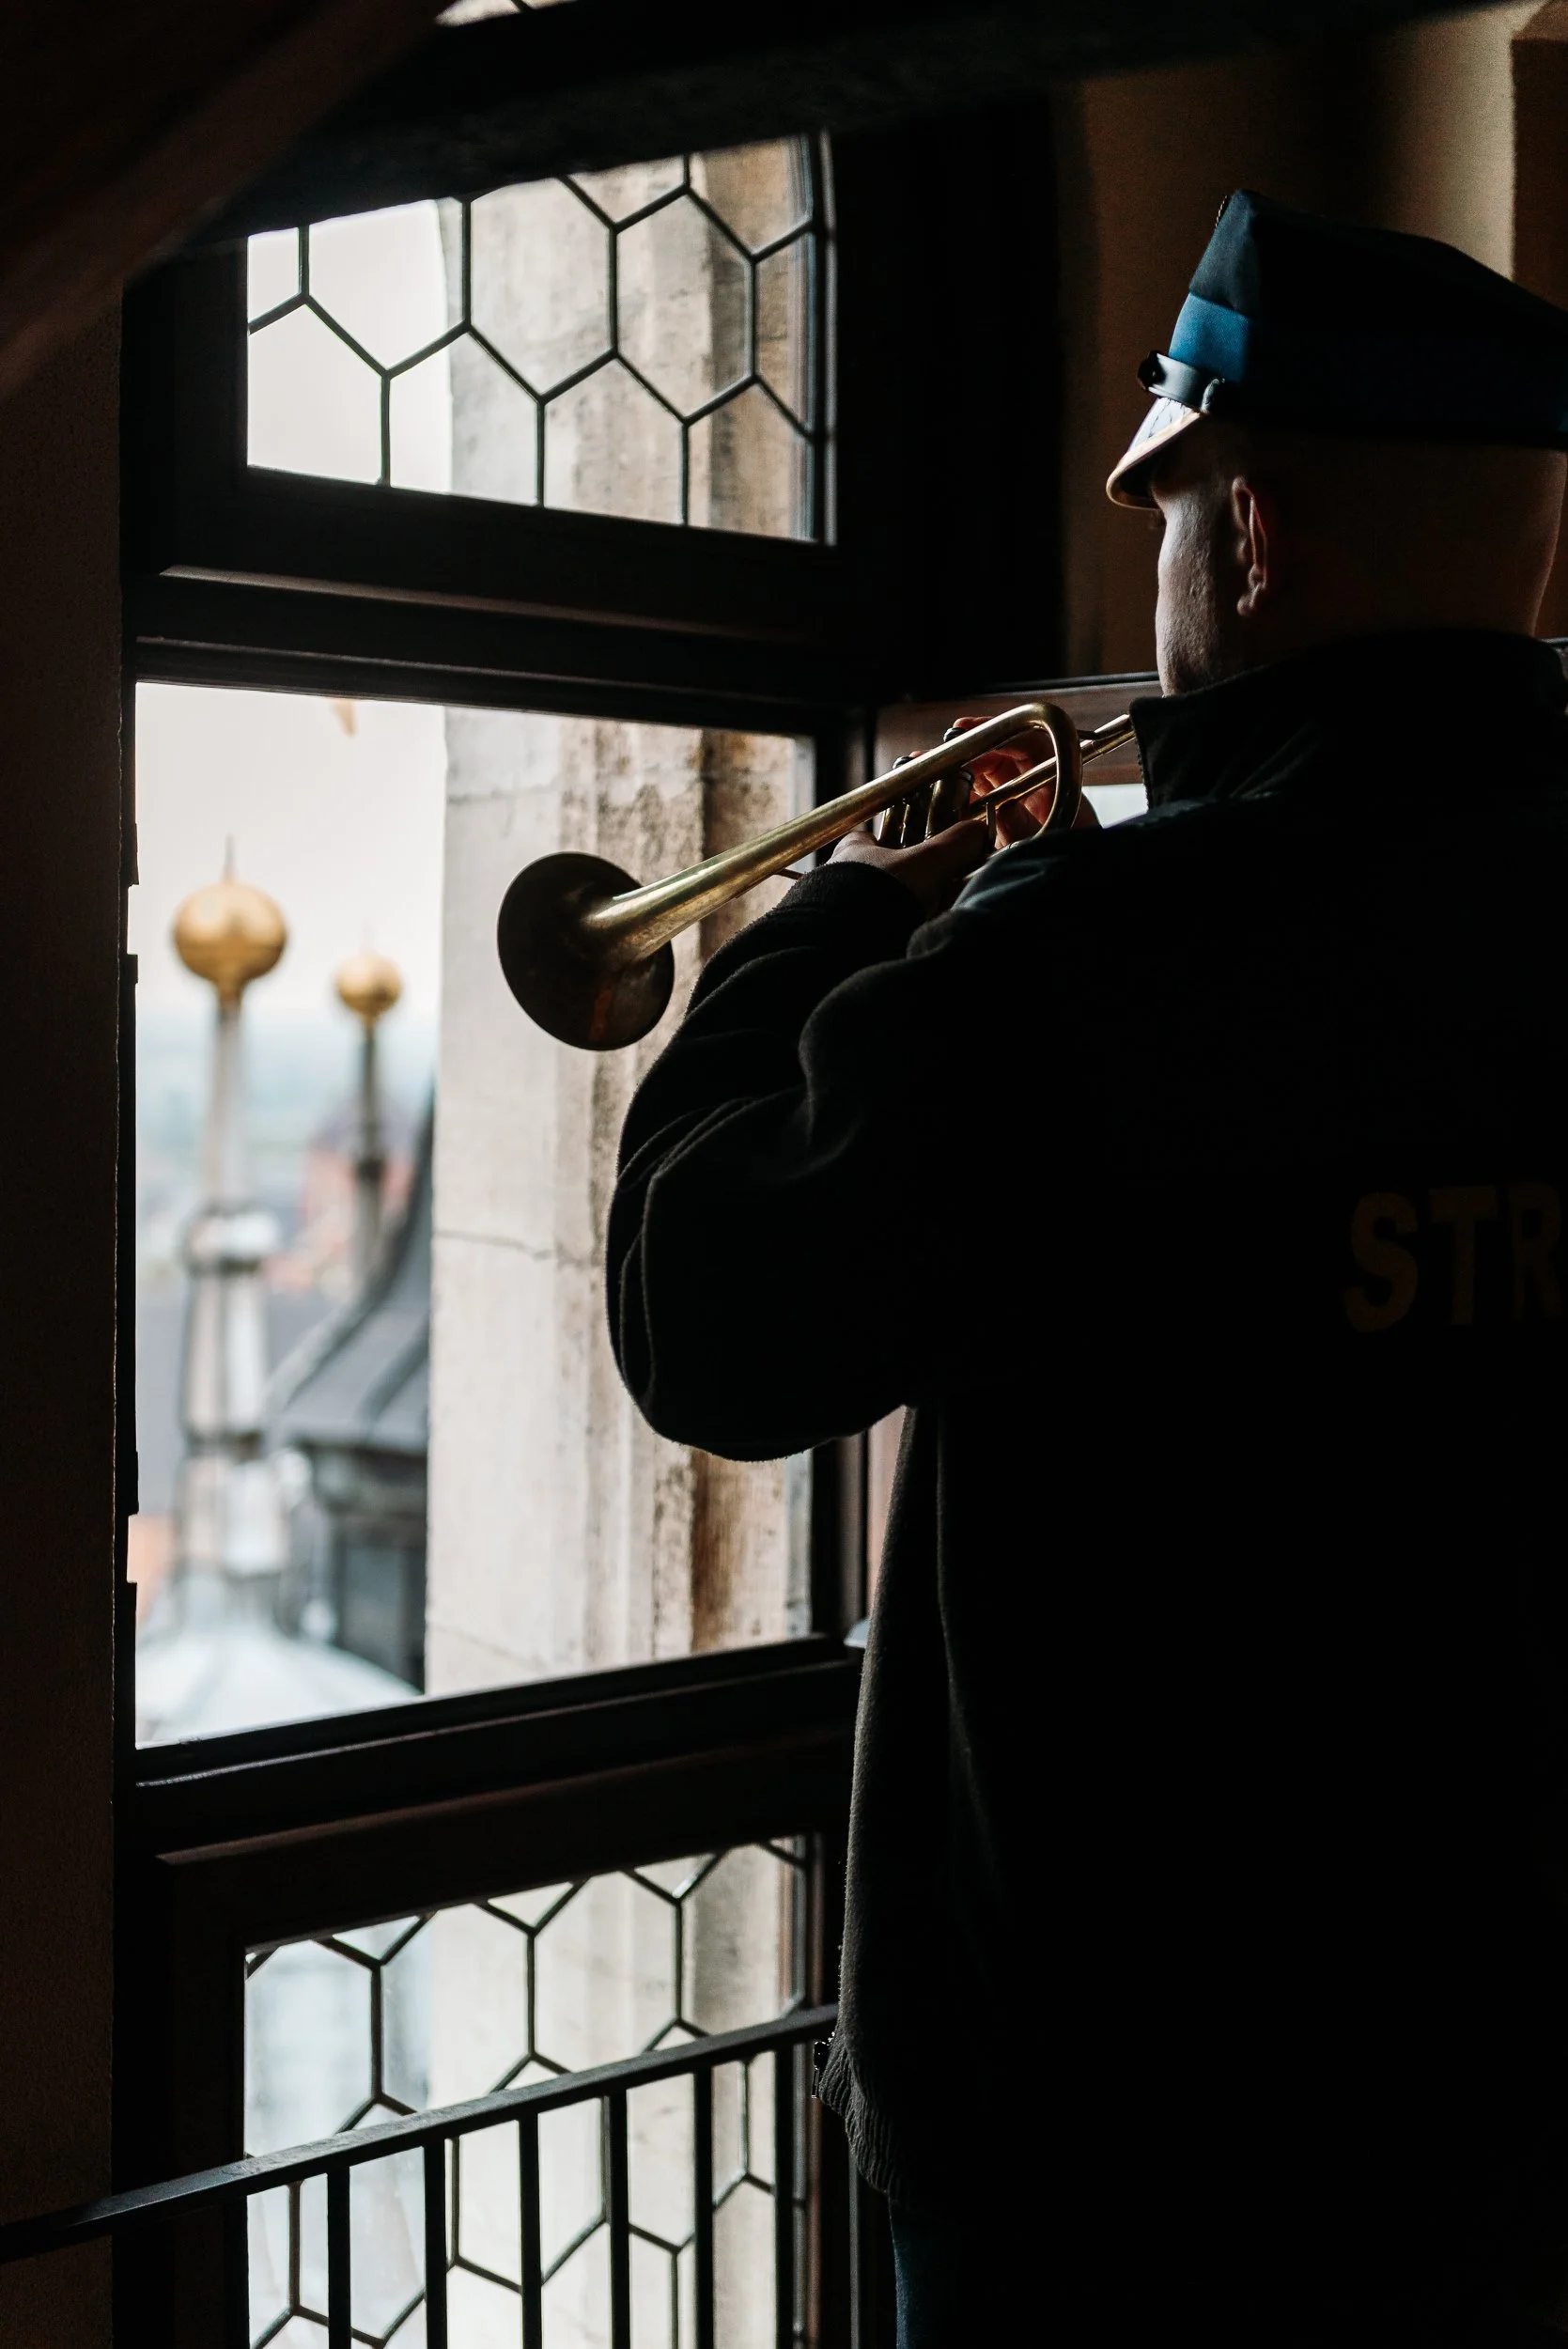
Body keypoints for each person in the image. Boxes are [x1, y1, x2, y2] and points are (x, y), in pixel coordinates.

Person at [607, 190, 1568, 2345]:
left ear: (1244, 539)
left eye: (1165, 517)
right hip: (1514, 2105)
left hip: (1120, 2155)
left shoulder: (1089, 959)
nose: (1152, 585)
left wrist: (823, 931)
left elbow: (707, 1309)